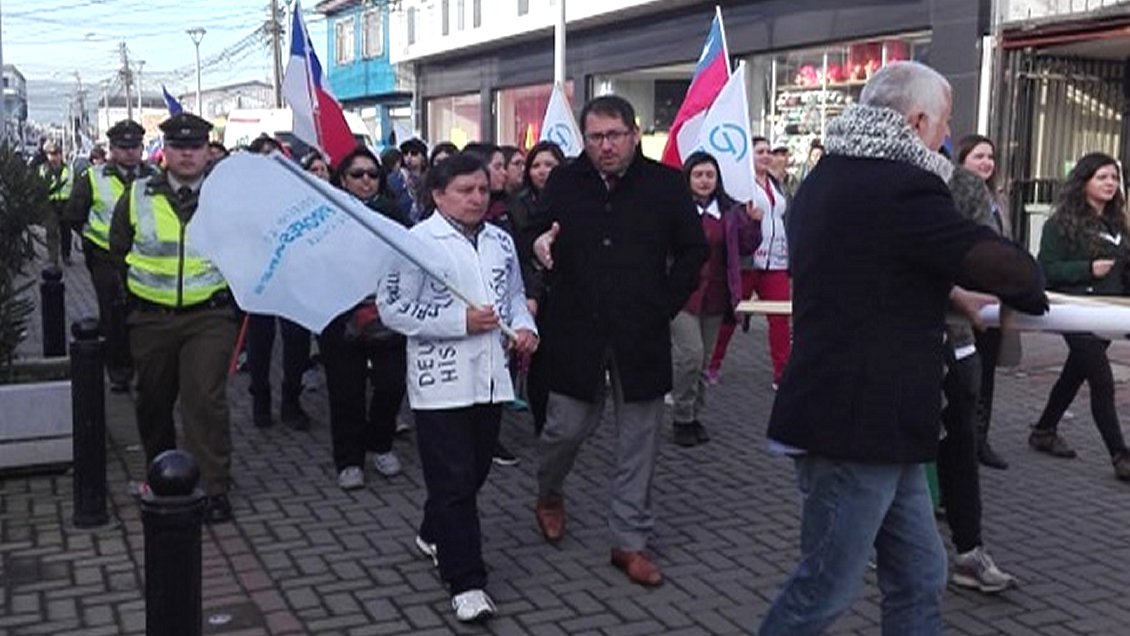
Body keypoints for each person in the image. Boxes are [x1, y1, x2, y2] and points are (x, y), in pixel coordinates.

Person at [757, 61, 1048, 635]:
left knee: (919, 572)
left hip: (874, 422)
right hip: (857, 424)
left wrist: (949, 291)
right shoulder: (900, 183)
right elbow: (998, 262)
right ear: (915, 120)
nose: (946, 135)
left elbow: (872, 268)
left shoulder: (830, 174)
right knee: (822, 588)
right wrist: (1025, 282)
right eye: (943, 122)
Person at [532, 95, 708, 586]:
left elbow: (693, 250)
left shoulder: (666, 185)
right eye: (595, 137)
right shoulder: (565, 181)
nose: (605, 146)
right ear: (584, 140)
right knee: (563, 429)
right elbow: (535, 229)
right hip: (577, 330)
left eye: (614, 136)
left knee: (639, 443)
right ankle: (549, 492)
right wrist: (539, 243)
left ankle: (628, 542)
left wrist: (665, 302)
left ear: (634, 134)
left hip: (641, 334)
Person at [377, 152, 538, 622]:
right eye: (465, 191)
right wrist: (457, 321)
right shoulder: (414, 243)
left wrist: (526, 327)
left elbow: (512, 297)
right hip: (440, 381)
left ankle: (432, 532)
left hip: (490, 379)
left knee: (473, 475)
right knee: (454, 484)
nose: (477, 198)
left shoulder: (501, 241)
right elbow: (393, 308)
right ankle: (466, 580)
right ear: (437, 194)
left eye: (483, 190)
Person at [109, 113, 239, 524]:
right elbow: (117, 250)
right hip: (151, 318)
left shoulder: (226, 197)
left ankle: (214, 487)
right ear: (164, 150)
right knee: (153, 399)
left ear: (207, 151)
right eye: (179, 147)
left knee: (204, 400)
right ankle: (161, 473)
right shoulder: (138, 195)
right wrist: (128, 300)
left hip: (209, 317)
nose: (187, 154)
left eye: (196, 147)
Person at [937, 155, 1018, 593]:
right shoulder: (876, 180)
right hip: (902, 341)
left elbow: (978, 254)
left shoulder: (962, 185)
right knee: (902, 453)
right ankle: (887, 545)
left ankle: (969, 552)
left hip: (957, 338)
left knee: (961, 445)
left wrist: (1015, 286)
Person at [1030, 152, 1130, 482]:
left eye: (1114, 178)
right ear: (1084, 181)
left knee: (1075, 373)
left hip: (1109, 313)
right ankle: (1121, 455)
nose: (1110, 184)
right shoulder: (1059, 224)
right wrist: (1087, 269)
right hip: (1075, 312)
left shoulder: (1117, 225)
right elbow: (1046, 270)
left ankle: (1044, 429)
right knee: (1101, 380)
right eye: (1102, 177)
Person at [321, 147, 411, 490]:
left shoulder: (392, 213)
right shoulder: (326, 215)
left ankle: (381, 443)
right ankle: (349, 459)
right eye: (357, 174)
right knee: (346, 392)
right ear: (342, 179)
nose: (366, 181)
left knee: (391, 384)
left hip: (386, 315)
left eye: (373, 174)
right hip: (340, 317)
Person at [671, 151, 761, 447]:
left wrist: (754, 223)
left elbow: (747, 247)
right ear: (688, 178)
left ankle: (695, 414)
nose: (704, 180)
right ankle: (682, 416)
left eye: (710, 175)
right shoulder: (677, 210)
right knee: (690, 356)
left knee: (704, 361)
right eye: (698, 175)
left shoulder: (731, 212)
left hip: (716, 295)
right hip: (683, 295)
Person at [65, 119, 155, 393]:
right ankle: (119, 370)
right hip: (105, 257)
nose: (129, 152)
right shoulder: (94, 177)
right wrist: (91, 244)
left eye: (134, 146)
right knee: (113, 311)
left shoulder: (154, 177)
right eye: (122, 147)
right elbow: (73, 214)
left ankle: (144, 365)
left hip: (144, 256)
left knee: (141, 311)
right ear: (112, 149)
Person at [707, 136, 791, 389]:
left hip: (776, 260)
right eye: (760, 152)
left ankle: (782, 373)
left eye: (769, 151)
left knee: (780, 319)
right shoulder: (739, 187)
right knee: (731, 316)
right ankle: (712, 364)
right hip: (747, 261)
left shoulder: (777, 184)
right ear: (749, 156)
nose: (766, 156)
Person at [244, 135, 313, 430]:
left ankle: (291, 399)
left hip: (292, 277)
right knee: (260, 342)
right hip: (258, 277)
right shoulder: (242, 195)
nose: (268, 159)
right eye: (261, 155)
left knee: (296, 339)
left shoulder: (295, 190)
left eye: (274, 154)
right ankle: (260, 399)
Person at [955, 133, 1013, 470]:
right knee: (966, 373)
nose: (987, 163)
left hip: (996, 296)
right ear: (963, 161)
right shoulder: (955, 196)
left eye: (990, 157)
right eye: (979, 156)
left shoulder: (998, 200)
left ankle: (980, 439)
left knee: (987, 371)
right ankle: (962, 440)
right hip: (965, 296)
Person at [464, 141, 522, 466]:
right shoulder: (426, 238)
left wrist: (524, 319)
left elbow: (516, 278)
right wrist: (460, 322)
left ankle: (490, 440)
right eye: (498, 165)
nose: (504, 172)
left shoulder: (506, 218)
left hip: (499, 333)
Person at [508, 141, 565, 435]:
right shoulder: (518, 205)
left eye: (550, 165)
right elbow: (520, 253)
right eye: (536, 165)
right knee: (540, 361)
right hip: (534, 294)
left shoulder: (573, 200)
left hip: (568, 292)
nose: (543, 171)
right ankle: (541, 421)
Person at [38, 141, 75, 266]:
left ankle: (66, 255)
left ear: (61, 155)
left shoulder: (69, 169)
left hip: (66, 203)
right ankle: (53, 258)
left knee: (66, 232)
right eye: (51, 154)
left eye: (56, 154)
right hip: (50, 204)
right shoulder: (43, 169)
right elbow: (38, 186)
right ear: (47, 155)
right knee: (51, 231)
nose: (54, 157)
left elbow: (74, 186)